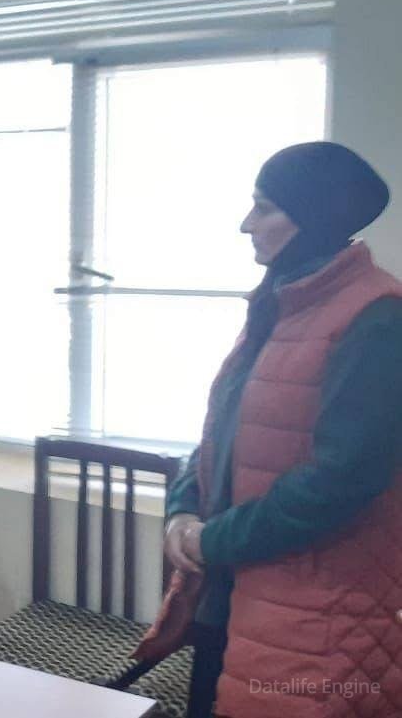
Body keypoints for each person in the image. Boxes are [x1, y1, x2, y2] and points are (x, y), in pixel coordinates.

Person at [135, 142, 402, 718]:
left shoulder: (378, 317)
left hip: (318, 616)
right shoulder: (282, 304)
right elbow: (220, 432)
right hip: (232, 597)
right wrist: (182, 509)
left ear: (313, 214)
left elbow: (342, 480)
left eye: (264, 207)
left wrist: (210, 539)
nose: (245, 224)